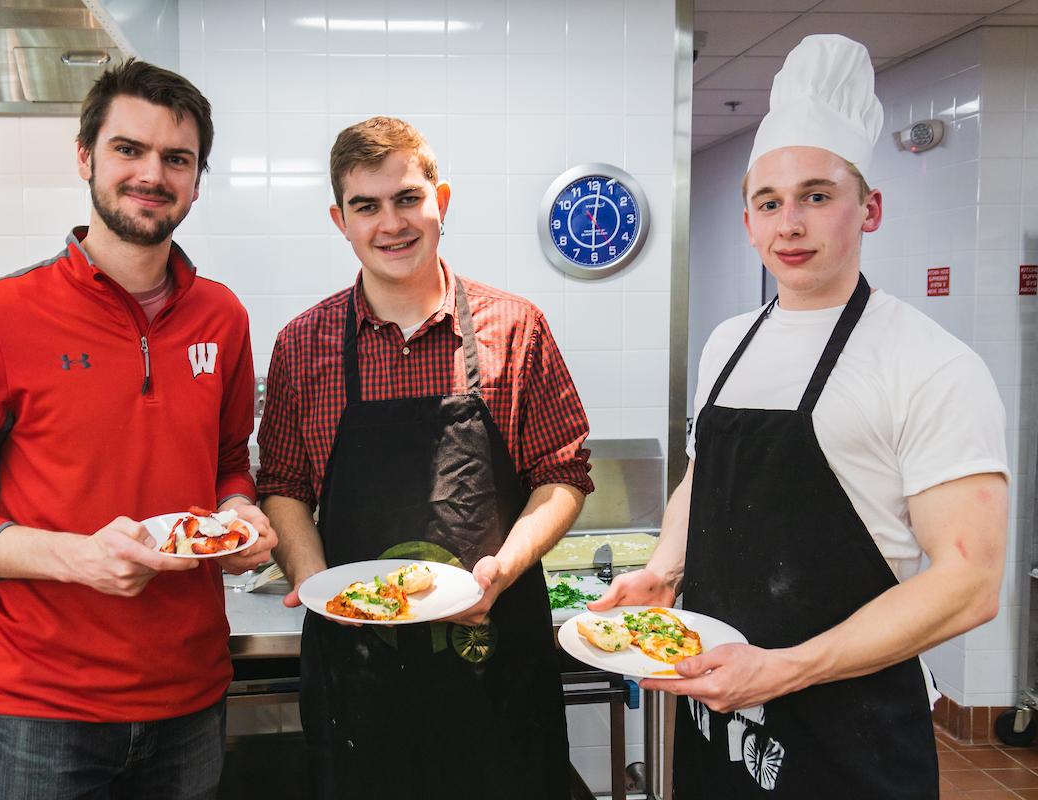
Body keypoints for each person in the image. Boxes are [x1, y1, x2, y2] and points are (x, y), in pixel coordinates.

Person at [591, 34, 1009, 798]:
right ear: (748, 218)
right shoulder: (727, 343)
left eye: (817, 196)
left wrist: (785, 670)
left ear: (868, 208)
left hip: (849, 740)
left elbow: (970, 581)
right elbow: (703, 475)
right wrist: (663, 569)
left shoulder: (931, 365)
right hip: (721, 719)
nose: (790, 224)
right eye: (770, 202)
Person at [0, 59, 276, 799]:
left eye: (177, 158)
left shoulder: (222, 318)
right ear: (86, 157)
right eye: (129, 149)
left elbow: (229, 460)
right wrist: (75, 558)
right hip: (44, 714)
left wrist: (236, 513)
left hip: (191, 701)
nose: (152, 174)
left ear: (197, 180)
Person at [256, 116, 593, 799]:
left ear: (440, 200)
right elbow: (284, 486)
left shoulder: (516, 327)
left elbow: (563, 474)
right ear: (339, 220)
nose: (392, 223)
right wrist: (321, 586)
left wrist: (507, 565)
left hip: (494, 669)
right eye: (366, 205)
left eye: (408, 198)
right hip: (358, 679)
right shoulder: (302, 345)